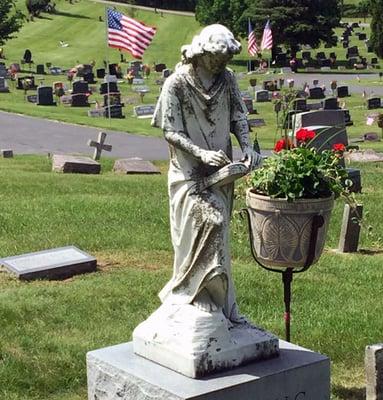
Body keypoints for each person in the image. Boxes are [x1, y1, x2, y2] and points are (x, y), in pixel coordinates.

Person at [152, 24, 262, 323]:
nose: (221, 65)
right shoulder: (176, 83)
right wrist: (200, 153)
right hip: (189, 173)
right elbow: (170, 131)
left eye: (225, 60)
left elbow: (238, 115)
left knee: (220, 232)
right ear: (201, 53)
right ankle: (193, 293)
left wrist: (248, 148)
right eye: (216, 59)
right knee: (204, 224)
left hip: (221, 171)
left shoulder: (226, 79)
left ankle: (223, 303)